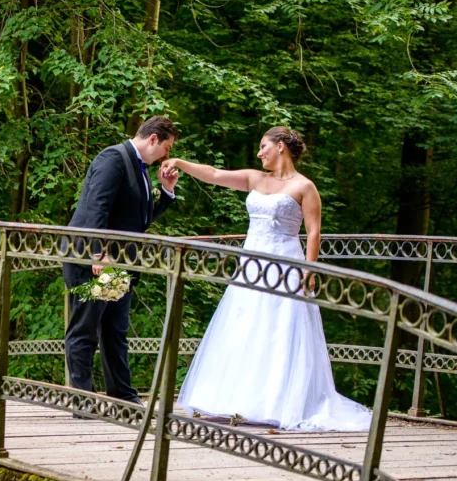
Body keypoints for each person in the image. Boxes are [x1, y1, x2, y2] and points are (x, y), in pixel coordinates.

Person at [159, 126, 371, 431]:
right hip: (252, 264)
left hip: (286, 264)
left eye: (264, 147)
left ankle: (276, 402)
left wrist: (310, 270)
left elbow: (313, 232)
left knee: (280, 328)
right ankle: (236, 399)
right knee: (245, 325)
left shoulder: (304, 187)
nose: (260, 153)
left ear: (281, 146)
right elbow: (214, 174)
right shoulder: (254, 178)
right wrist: (179, 163)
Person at [63, 116, 180, 404]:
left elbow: (138, 220)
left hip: (116, 263)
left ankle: (123, 396)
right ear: (153, 139)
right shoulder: (114, 158)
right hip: (92, 259)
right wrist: (98, 251)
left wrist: (166, 192)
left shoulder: (140, 168)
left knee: (114, 329)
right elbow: (96, 206)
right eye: (166, 148)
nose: (167, 155)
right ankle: (83, 400)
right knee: (85, 329)